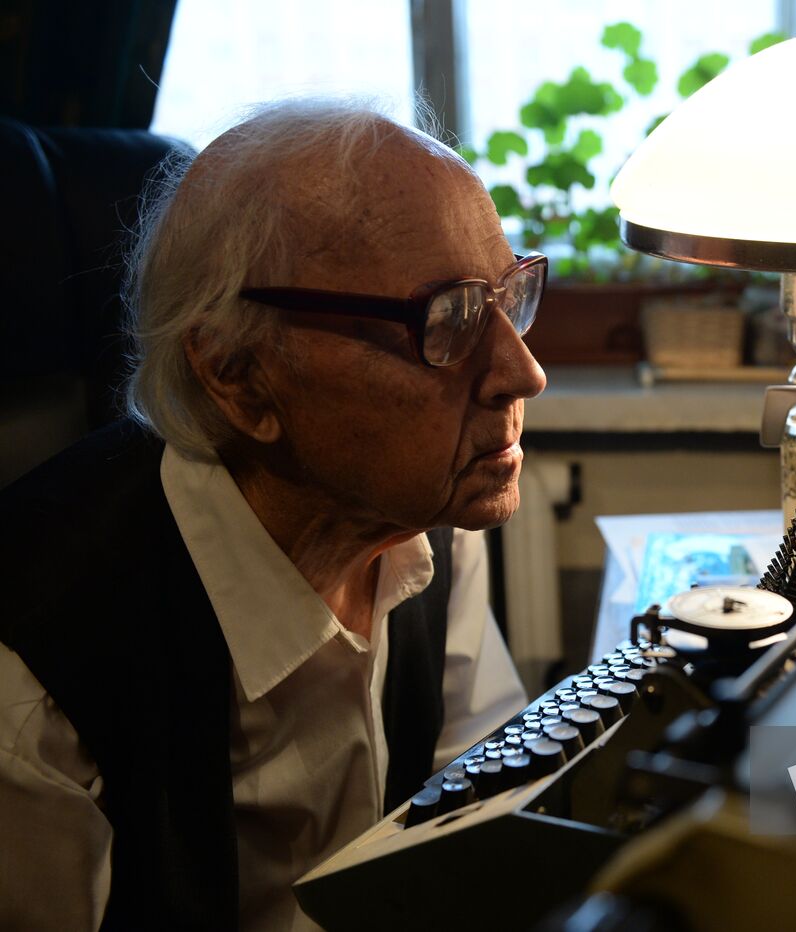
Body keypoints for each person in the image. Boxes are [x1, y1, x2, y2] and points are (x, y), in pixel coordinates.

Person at [0, 100, 549, 931]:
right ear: (239, 376)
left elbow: (478, 829)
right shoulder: (32, 681)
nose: (524, 373)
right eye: (450, 319)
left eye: (512, 298)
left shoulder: (421, 523)